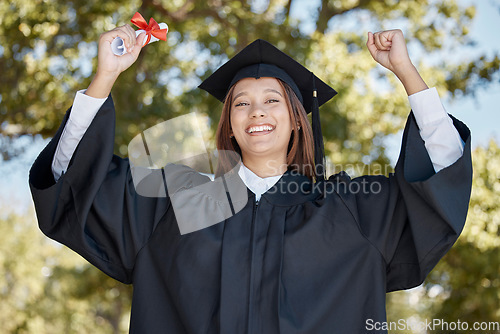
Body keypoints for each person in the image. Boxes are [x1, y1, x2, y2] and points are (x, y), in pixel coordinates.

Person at [29, 24, 472, 334]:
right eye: (241, 103)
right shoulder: (177, 203)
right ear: (230, 123)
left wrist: (407, 74)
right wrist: (105, 76)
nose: (256, 111)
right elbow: (71, 183)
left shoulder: (352, 210)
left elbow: (440, 178)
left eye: (272, 100)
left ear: (298, 120)